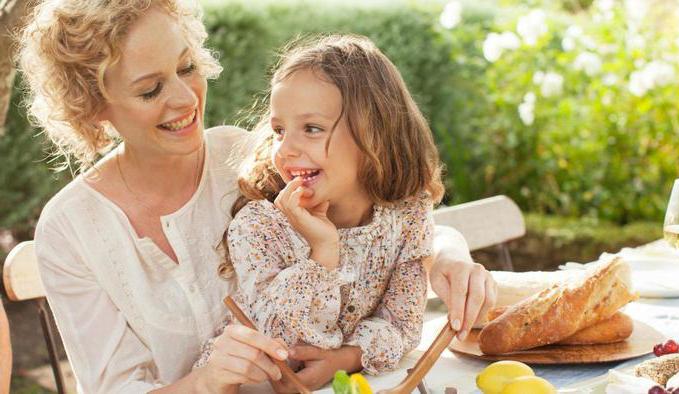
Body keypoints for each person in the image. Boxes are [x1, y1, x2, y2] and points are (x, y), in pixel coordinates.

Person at [18, 0, 496, 393]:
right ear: (94, 108)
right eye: (150, 90)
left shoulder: (248, 158)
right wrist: (206, 381)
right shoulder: (71, 228)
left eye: (187, 67)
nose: (186, 99)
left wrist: (449, 257)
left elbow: (377, 225)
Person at [196, 34, 443, 389]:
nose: (286, 149)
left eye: (311, 129)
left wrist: (345, 358)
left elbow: (403, 325)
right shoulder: (260, 226)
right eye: (280, 130)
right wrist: (322, 254)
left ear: (375, 134)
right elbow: (283, 343)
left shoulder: (406, 215)